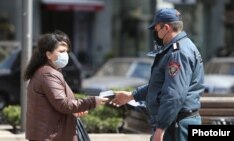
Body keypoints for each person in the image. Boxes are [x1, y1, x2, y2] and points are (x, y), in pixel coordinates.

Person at [110, 8, 205, 141]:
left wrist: (161, 128)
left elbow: (174, 94)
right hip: (175, 122)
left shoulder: (177, 53)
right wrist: (132, 95)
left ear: (166, 28)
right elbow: (161, 86)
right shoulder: (180, 47)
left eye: (156, 29)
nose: (155, 33)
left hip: (177, 126)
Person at [24, 30, 108, 141]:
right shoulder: (48, 74)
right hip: (50, 136)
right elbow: (63, 104)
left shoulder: (48, 71)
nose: (65, 55)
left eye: (67, 52)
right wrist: (92, 101)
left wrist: (73, 112)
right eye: (62, 51)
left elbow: (56, 105)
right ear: (48, 54)